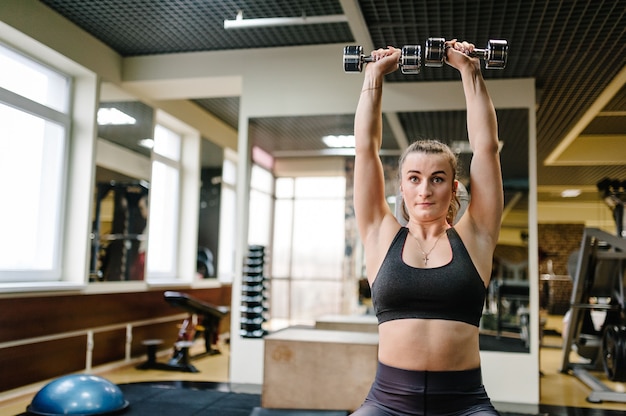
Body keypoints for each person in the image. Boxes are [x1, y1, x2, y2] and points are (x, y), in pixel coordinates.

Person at [351, 40, 504, 416]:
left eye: (437, 179)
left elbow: (486, 149)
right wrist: (373, 76)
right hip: (387, 402)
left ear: (453, 187)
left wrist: (470, 71)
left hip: (464, 404)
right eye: (414, 178)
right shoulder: (379, 234)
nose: (424, 189)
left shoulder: (476, 236)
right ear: (400, 186)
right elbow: (365, 150)